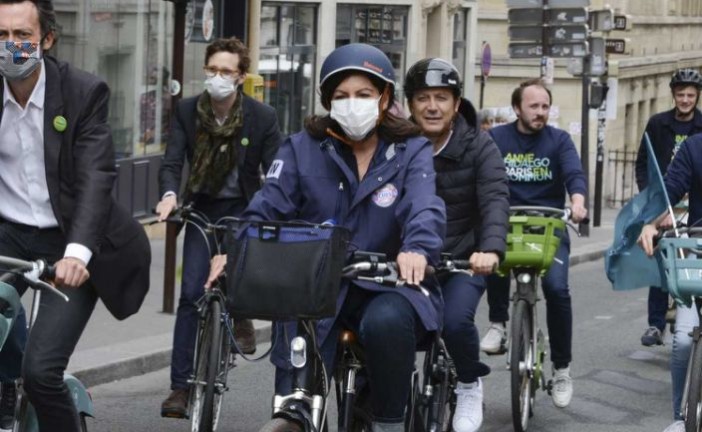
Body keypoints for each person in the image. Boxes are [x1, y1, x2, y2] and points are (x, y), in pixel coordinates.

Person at [207, 43, 446, 432]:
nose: (353, 104)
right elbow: (268, 205)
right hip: (312, 288)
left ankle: (389, 423)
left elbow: (424, 204)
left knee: (386, 325)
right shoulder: (302, 148)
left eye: (364, 95)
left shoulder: (411, 149)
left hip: (386, 285)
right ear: (327, 102)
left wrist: (416, 248)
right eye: (342, 96)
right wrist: (238, 252)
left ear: (384, 98)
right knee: (293, 391)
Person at [0, 1, 151, 430]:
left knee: (42, 372)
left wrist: (78, 255)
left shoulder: (83, 92)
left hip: (71, 242)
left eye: (22, 36)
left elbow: (95, 179)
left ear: (46, 39)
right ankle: (6, 382)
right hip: (10, 233)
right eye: (1, 36)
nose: (11, 46)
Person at [157, 37, 282, 418]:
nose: (217, 77)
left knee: (236, 275)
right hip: (202, 207)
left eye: (226, 71)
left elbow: (277, 174)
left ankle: (240, 313)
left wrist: (271, 210)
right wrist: (168, 195)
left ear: (241, 76)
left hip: (245, 208)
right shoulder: (187, 111)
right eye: (212, 70)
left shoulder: (262, 118)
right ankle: (180, 387)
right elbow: (172, 160)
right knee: (191, 293)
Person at [404, 58, 509, 432]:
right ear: (410, 103)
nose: (432, 106)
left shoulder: (480, 147)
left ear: (455, 102)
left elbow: (496, 199)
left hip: (464, 259)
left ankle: (468, 382)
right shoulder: (397, 145)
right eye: (423, 98)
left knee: (455, 321)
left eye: (441, 98)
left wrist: (491, 249)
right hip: (409, 262)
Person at [481, 78, 588, 408]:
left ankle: (562, 369)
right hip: (507, 220)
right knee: (491, 252)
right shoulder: (497, 138)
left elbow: (574, 174)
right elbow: (481, 174)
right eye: (534, 106)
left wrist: (579, 202)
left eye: (545, 107)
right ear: (517, 108)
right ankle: (498, 323)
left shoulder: (559, 140)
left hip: (549, 224)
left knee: (557, 289)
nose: (541, 112)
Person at [639, 128, 702, 426]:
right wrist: (651, 223)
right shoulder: (694, 147)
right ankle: (681, 417)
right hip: (699, 251)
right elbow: (671, 188)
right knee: (684, 340)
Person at [634, 68, 702, 347]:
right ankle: (656, 322)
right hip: (666, 200)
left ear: (697, 97)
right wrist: (652, 207)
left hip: (693, 202)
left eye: (690, 95)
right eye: (680, 95)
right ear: (673, 96)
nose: (685, 100)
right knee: (664, 257)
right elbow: (643, 162)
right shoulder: (657, 123)